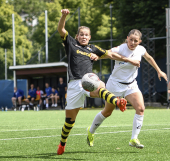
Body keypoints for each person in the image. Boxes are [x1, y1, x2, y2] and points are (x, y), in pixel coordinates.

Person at [56, 9, 139, 155]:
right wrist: (64, 16)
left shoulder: (93, 48)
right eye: (81, 34)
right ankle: (62, 143)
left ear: (89, 37)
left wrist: (128, 59)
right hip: (75, 84)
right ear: (77, 36)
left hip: (89, 80)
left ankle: (118, 102)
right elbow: (61, 29)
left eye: (86, 35)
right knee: (69, 121)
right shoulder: (71, 43)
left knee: (100, 87)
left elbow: (111, 54)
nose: (83, 36)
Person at [86, 29, 168, 149]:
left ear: (139, 41)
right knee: (107, 112)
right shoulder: (121, 48)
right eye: (131, 40)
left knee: (140, 108)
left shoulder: (141, 49)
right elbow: (108, 53)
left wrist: (159, 71)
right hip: (115, 85)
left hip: (131, 85)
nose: (133, 43)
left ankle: (134, 139)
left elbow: (149, 58)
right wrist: (97, 55)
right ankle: (91, 130)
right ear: (127, 38)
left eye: (136, 41)